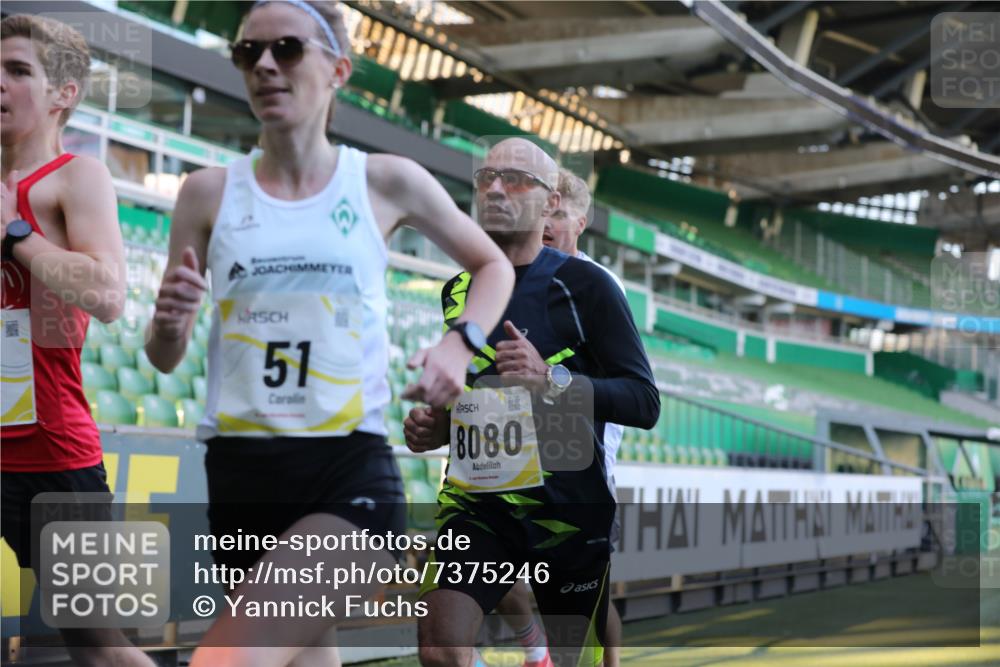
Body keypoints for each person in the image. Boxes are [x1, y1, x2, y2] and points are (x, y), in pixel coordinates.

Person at [143, 2, 513, 666]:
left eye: (286, 49)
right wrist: (169, 324)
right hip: (239, 476)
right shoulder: (204, 194)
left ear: (337, 69)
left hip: (346, 475)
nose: (263, 65)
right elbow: (163, 357)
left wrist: (461, 343)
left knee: (225, 660)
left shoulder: (382, 180)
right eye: (246, 52)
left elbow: (492, 264)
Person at [405, 138, 660, 667]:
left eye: (516, 179)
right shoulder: (457, 290)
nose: (496, 189)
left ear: (549, 205)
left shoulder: (587, 286)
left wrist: (552, 379)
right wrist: (439, 428)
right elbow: (480, 392)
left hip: (567, 509)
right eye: (486, 178)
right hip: (479, 503)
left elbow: (644, 401)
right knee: (439, 647)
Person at [1, 14, 155, 667]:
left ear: (63, 92)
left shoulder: (75, 178)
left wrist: (15, 235)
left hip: (52, 455)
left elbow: (110, 296)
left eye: (17, 71)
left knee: (90, 637)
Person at [493, 168, 626, 667]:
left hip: (582, 471)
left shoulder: (598, 286)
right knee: (494, 576)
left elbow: (632, 391)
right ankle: (535, 653)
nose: (548, 223)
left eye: (560, 215)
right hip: (506, 459)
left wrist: (551, 379)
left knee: (587, 599)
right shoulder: (507, 278)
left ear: (582, 222)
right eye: (543, 212)